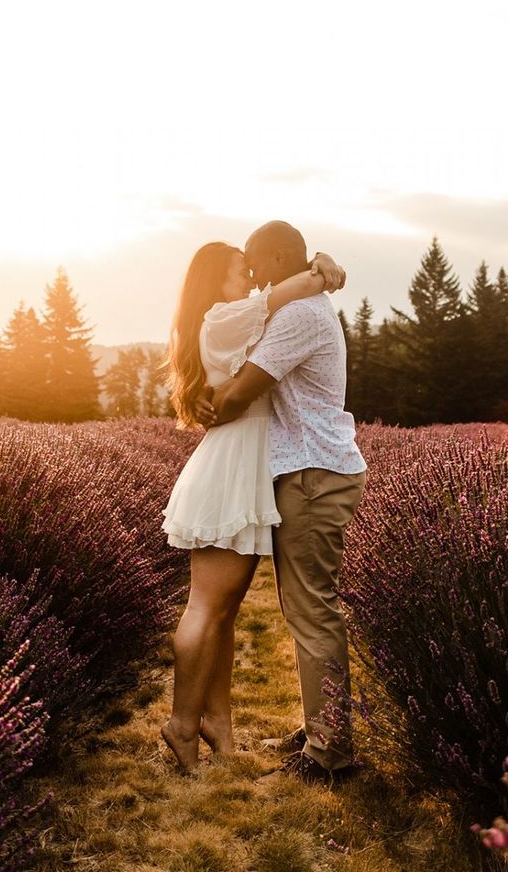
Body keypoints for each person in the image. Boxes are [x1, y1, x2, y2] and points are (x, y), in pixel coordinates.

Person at [159, 240, 345, 771]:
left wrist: (321, 262)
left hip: (244, 463)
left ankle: (217, 724)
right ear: (215, 280)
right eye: (242, 271)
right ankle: (180, 724)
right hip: (232, 467)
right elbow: (297, 287)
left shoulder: (232, 317)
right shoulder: (224, 316)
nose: (253, 280)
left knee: (223, 610)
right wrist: (323, 268)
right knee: (205, 606)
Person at [195, 220, 367, 785]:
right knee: (304, 610)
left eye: (253, 263)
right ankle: (322, 728)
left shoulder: (297, 314)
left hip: (313, 476)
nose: (249, 276)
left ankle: (330, 755)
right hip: (310, 471)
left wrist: (207, 403)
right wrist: (322, 264)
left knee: (313, 611)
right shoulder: (300, 302)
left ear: (274, 258)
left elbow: (243, 391)